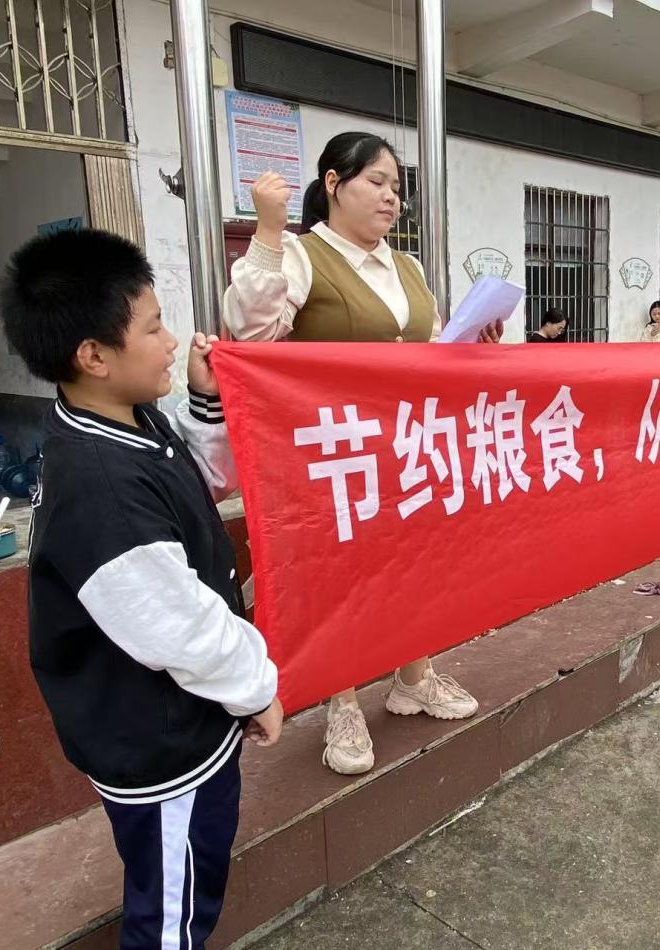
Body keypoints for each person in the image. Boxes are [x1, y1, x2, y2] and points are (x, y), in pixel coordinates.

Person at [0, 229, 283, 949]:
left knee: (178, 890)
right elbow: (176, 625)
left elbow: (191, 479)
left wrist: (204, 399)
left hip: (175, 721)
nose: (170, 340)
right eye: (153, 327)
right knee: (170, 917)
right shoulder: (99, 486)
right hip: (162, 745)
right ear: (92, 356)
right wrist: (254, 687)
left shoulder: (118, 420)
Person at [223, 132, 495, 776]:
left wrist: (470, 338)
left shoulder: (409, 268)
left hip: (407, 447)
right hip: (336, 455)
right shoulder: (301, 254)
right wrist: (266, 230)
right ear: (333, 182)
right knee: (342, 573)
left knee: (416, 563)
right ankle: (341, 700)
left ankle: (414, 675)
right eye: (376, 181)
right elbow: (252, 331)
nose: (390, 196)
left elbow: (429, 348)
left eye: (397, 186)